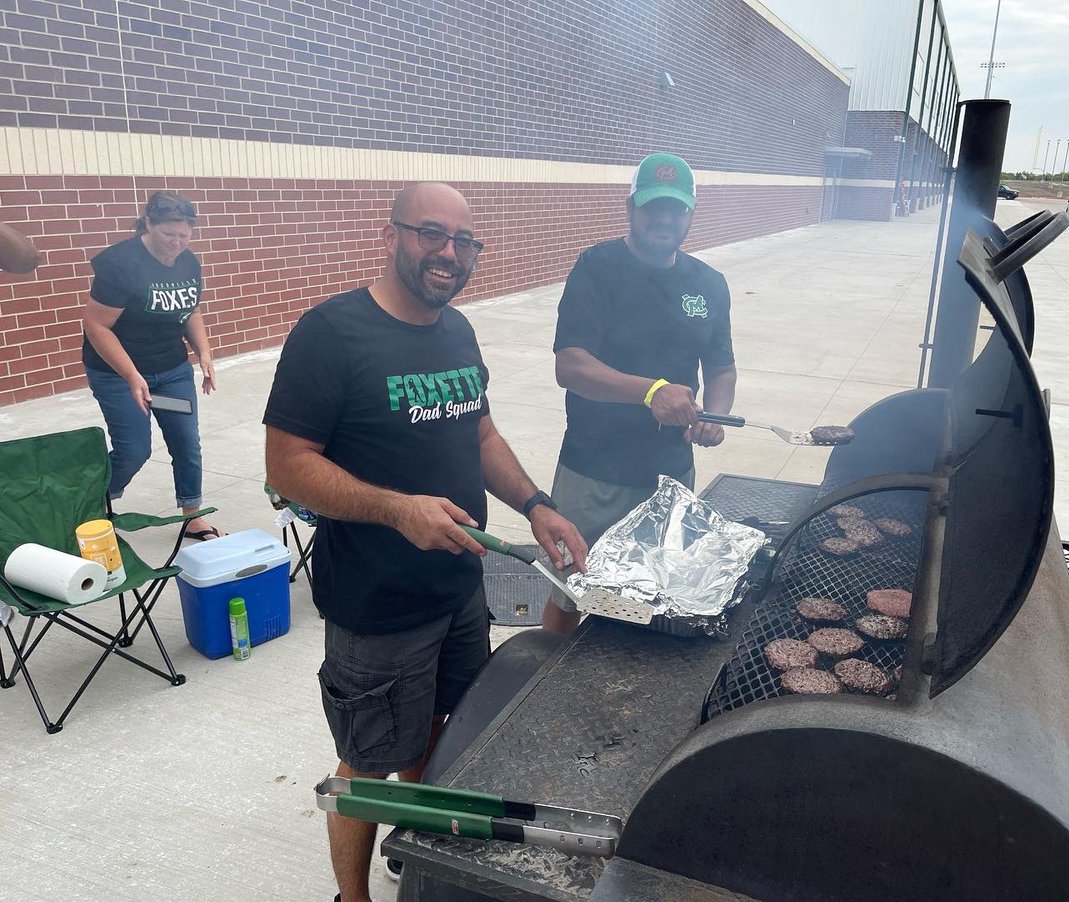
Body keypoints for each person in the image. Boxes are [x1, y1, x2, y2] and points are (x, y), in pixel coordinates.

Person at [262, 182, 587, 902]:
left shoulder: (456, 330)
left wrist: (535, 504)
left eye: (464, 241)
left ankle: (413, 847)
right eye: (430, 233)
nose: (449, 252)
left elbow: (481, 432)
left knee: (445, 725)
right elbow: (286, 466)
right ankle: (353, 899)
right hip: (377, 604)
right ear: (390, 235)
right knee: (367, 761)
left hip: (459, 587)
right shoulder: (331, 333)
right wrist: (395, 510)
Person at [541, 152, 738, 635]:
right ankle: (544, 675)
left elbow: (722, 367)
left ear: (690, 214)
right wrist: (650, 391)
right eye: (653, 206)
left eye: (676, 208)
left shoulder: (709, 284)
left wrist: (715, 414)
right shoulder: (597, 267)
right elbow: (571, 366)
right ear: (631, 207)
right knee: (570, 593)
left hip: (670, 476)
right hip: (593, 472)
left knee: (655, 598)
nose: (664, 218)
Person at [81, 190, 223, 539]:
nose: (177, 242)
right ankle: (91, 507)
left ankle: (193, 515)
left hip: (171, 371)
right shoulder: (119, 264)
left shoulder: (188, 262)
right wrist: (132, 376)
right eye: (168, 234)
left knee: (186, 442)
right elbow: (96, 326)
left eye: (184, 235)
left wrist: (204, 353)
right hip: (117, 374)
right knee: (134, 450)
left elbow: (191, 310)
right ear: (148, 224)